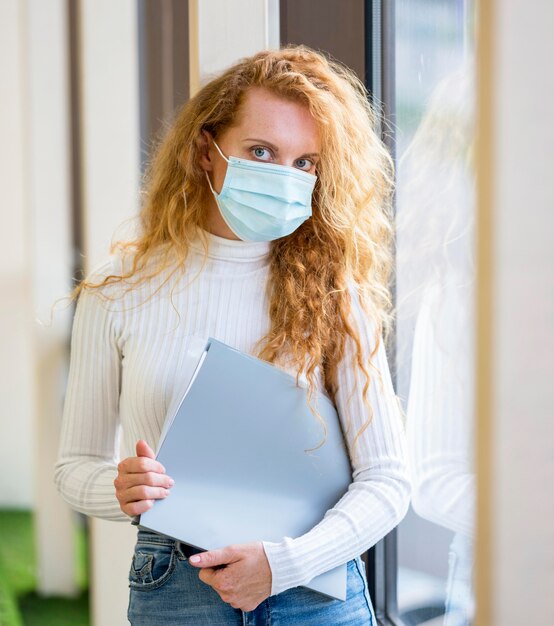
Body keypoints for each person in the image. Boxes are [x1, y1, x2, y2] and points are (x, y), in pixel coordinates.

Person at [54, 45, 411, 625]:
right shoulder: (117, 293)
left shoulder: (337, 299)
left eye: (306, 163)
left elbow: (389, 479)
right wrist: (120, 489)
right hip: (175, 584)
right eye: (262, 152)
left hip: (316, 588)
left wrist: (285, 564)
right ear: (205, 151)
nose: (283, 177)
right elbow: (75, 468)